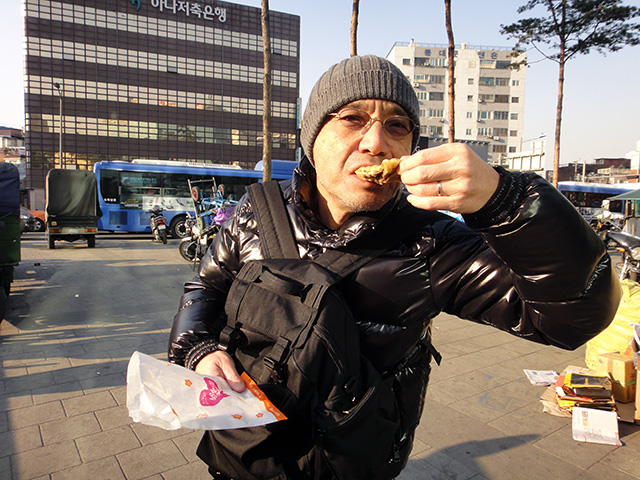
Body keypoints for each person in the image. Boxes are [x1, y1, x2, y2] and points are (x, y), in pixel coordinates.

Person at [169, 55, 621, 479]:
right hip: (243, 450)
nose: (375, 142)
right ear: (312, 137)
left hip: (352, 464)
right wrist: (197, 350)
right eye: (352, 119)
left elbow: (569, 319)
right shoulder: (259, 208)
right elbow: (204, 288)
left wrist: (508, 201)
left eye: (397, 125)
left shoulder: (431, 241)